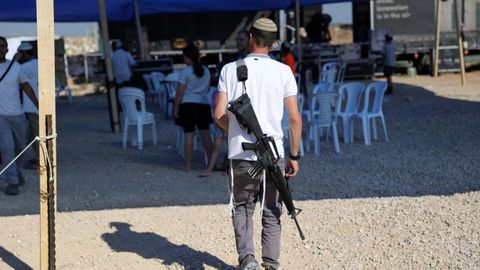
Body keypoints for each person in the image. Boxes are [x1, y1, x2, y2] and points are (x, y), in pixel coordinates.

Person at [214, 18, 302, 270]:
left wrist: (233, 130)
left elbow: (218, 114)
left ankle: (247, 259)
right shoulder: (284, 71)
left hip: (240, 153)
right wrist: (294, 155)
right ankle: (271, 264)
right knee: (272, 211)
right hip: (274, 154)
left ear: (251, 37)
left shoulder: (229, 70)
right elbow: (294, 118)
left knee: (242, 207)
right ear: (274, 43)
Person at [0, 36, 38, 195]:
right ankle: (12, 181)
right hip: (1, 116)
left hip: (18, 115)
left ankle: (16, 170)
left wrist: (39, 105)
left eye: (3, 46)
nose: (0, 49)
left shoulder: (16, 67)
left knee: (20, 148)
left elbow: (26, 87)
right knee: (7, 148)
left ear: (7, 50)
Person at [174, 44, 213, 172]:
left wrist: (175, 109)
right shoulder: (206, 70)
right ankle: (210, 163)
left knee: (189, 135)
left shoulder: (185, 72)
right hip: (203, 104)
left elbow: (179, 93)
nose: (183, 59)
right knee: (205, 134)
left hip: (188, 105)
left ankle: (188, 165)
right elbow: (207, 88)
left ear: (188, 57)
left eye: (184, 56)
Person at [16, 42, 39, 169]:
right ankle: (39, 157)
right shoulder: (42, 64)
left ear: (24, 54)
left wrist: (15, 61)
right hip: (40, 104)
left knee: (37, 134)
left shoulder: (23, 67)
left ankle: (42, 161)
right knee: (30, 135)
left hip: (32, 106)